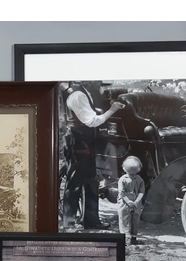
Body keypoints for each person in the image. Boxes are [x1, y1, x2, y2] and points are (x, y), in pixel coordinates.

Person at [61, 82, 126, 230]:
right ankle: (69, 224)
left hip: (85, 141)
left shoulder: (84, 92)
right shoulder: (78, 95)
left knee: (91, 181)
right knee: (74, 183)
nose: (100, 84)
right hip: (78, 142)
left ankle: (91, 220)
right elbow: (92, 121)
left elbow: (89, 114)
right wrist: (112, 110)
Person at [117, 156, 145, 245]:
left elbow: (121, 192)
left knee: (124, 219)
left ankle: (125, 238)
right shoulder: (140, 179)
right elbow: (142, 192)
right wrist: (136, 201)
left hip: (124, 203)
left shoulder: (122, 179)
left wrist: (128, 201)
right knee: (135, 220)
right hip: (136, 203)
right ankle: (133, 238)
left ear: (124, 168)